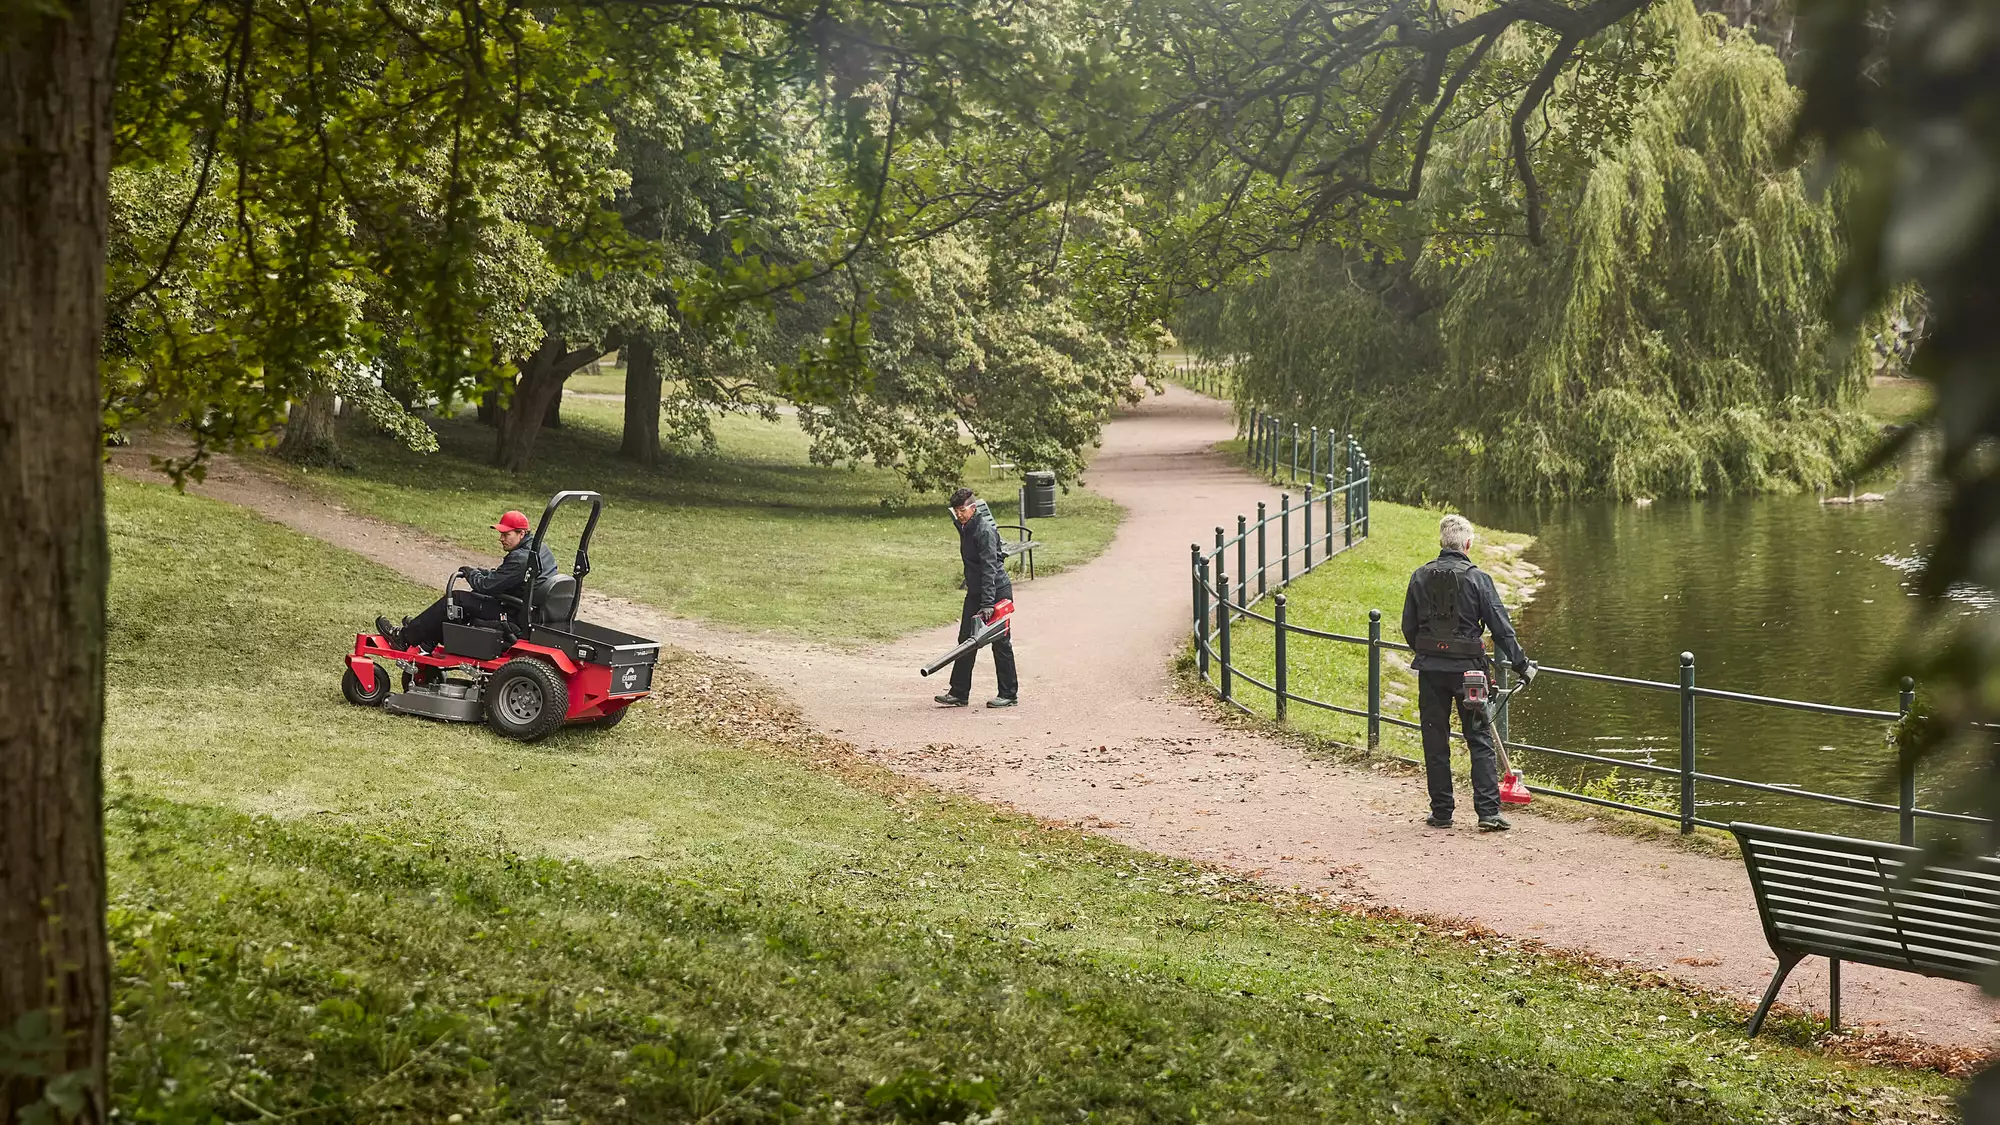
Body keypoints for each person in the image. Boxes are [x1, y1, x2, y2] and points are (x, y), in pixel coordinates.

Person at [1399, 513, 1535, 832]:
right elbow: (1502, 628)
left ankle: (1442, 812)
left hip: (1431, 672)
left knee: (1435, 740)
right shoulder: (1478, 579)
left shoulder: (1420, 576)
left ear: (1442, 543)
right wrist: (1522, 665)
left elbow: (1409, 626)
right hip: (1470, 676)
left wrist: (1428, 651)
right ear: (1468, 544)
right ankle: (1487, 812)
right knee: (1479, 739)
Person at [377, 509, 559, 651]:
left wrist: (471, 573)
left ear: (521, 533)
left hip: (514, 614)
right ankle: (428, 635)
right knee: (472, 598)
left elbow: (486, 586)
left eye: (506, 534)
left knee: (458, 598)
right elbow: (505, 577)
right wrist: (482, 572)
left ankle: (402, 638)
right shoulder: (539, 548)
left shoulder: (520, 558)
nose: (501, 539)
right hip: (529, 610)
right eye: (501, 534)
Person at [936, 487, 1019, 708]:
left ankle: (1009, 694)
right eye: (956, 511)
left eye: (962, 510)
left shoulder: (984, 531)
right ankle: (959, 692)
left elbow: (990, 568)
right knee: (965, 640)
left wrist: (988, 604)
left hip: (996, 591)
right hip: (975, 592)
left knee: (1000, 642)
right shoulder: (964, 526)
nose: (958, 514)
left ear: (973, 508)